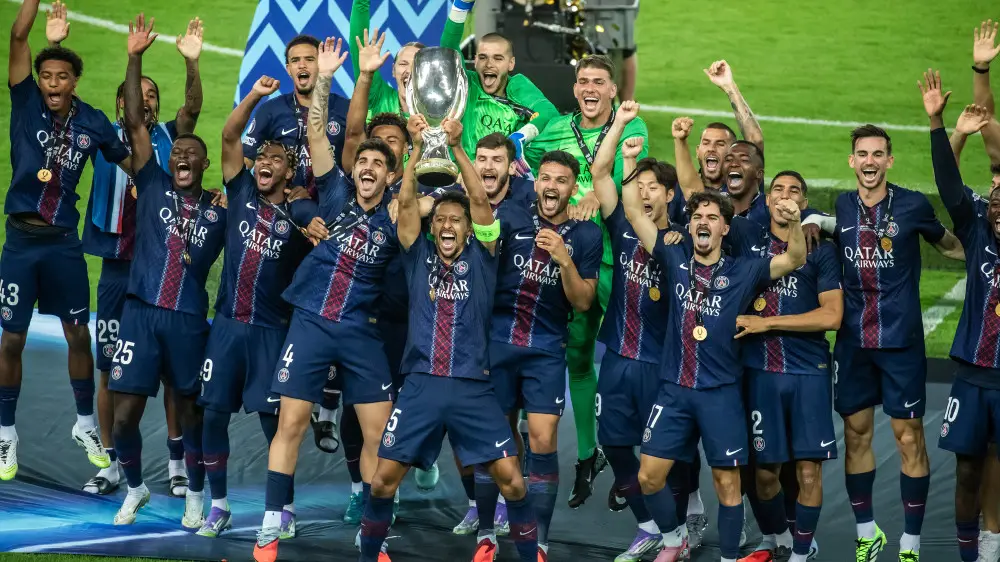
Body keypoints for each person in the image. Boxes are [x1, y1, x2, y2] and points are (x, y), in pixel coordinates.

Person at [358, 112, 538, 562]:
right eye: (440, 219)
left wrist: (457, 148)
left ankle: (530, 554)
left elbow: (479, 199)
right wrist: (417, 150)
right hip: (420, 385)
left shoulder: (486, 255)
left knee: (513, 481)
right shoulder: (416, 255)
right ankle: (368, 556)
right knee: (381, 482)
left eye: (456, 220)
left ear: (469, 228)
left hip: (472, 387)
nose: (447, 226)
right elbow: (405, 207)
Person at [252, 37, 398, 562]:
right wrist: (330, 78)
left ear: (389, 176)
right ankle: (271, 524)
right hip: (311, 322)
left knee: (379, 434)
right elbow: (318, 132)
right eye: (363, 161)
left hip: (361, 329)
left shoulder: (397, 215)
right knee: (291, 423)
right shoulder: (334, 189)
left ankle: (373, 536)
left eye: (379, 164)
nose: (368, 168)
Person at [625, 184, 807, 562]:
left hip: (720, 393)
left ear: (725, 228)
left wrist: (793, 224)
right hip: (674, 390)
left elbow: (794, 258)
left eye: (711, 217)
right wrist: (627, 158)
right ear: (690, 226)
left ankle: (728, 558)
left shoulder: (745, 270)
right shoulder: (674, 255)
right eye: (697, 217)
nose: (703, 222)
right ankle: (674, 539)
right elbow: (634, 213)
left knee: (727, 484)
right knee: (648, 476)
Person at [1, 0, 132, 481]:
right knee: (11, 339)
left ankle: (84, 425)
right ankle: (6, 435)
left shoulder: (92, 121)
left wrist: (157, 184)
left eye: (61, 77)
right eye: (46, 76)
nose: (52, 83)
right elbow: (18, 38)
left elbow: (127, 159)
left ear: (74, 82)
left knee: (79, 334)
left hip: (63, 244)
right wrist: (34, 11)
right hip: (20, 243)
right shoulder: (25, 102)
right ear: (37, 80)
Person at [77, 10, 204, 498]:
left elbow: (193, 106)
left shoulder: (172, 139)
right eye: (139, 94)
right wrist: (135, 60)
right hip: (116, 270)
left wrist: (191, 64)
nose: (146, 100)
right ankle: (112, 464)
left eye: (153, 95)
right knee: (109, 367)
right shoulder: (108, 138)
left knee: (172, 373)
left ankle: (175, 463)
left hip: (163, 272)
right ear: (125, 101)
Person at [107, 14, 227, 526]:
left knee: (191, 412)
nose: (181, 155)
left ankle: (195, 493)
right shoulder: (152, 181)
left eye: (190, 153)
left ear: (203, 165)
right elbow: (137, 122)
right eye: (176, 150)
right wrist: (134, 57)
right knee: (123, 416)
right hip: (140, 313)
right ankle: (135, 488)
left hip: (187, 319)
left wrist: (192, 65)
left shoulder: (221, 210)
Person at [828, 119, 963, 561]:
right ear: (852, 162)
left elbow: (949, 245)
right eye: (862, 154)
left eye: (877, 154)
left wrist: (985, 252)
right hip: (852, 342)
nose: (869, 162)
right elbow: (820, 228)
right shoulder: (842, 207)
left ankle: (910, 543)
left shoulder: (912, 205)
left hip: (901, 342)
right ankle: (867, 533)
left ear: (889, 160)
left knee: (909, 438)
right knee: (856, 435)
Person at [524, 54, 649, 508]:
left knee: (627, 358)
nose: (590, 88)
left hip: (619, 261)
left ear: (613, 90)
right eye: (583, 81)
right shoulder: (556, 128)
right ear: (575, 88)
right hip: (572, 264)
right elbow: (531, 166)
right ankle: (586, 456)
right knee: (577, 358)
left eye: (599, 81)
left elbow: (620, 177)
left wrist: (596, 193)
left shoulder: (632, 126)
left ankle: (627, 458)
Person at [193, 75, 312, 538]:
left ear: (289, 174)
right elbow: (228, 136)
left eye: (276, 159)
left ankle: (285, 508)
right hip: (226, 327)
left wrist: (310, 219)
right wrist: (256, 96)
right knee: (213, 415)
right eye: (261, 156)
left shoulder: (299, 216)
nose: (265, 162)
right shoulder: (240, 191)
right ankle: (218, 505)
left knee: (273, 424)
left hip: (270, 333)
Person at [473, 147, 602, 560]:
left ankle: (539, 541)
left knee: (543, 441)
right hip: (498, 343)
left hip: (546, 348)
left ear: (572, 188)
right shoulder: (511, 216)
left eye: (561, 181)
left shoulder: (586, 235)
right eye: (545, 178)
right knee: (495, 438)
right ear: (536, 182)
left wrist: (563, 259)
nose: (551, 186)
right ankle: (487, 534)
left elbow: (583, 301)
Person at [240, 32, 352, 458]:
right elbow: (247, 162)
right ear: (288, 68)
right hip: (282, 229)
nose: (303, 65)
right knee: (289, 312)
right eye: (296, 60)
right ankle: (288, 394)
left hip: (331, 228)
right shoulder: (271, 111)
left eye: (309, 59)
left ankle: (328, 407)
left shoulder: (341, 109)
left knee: (334, 313)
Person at [590, 101, 691, 562]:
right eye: (640, 186)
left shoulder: (682, 243)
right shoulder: (623, 228)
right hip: (617, 358)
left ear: (669, 194)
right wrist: (618, 126)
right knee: (613, 443)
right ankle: (651, 525)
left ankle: (678, 530)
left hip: (660, 365)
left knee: (665, 454)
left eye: (654, 187)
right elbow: (600, 173)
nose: (645, 193)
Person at [726, 171, 843, 562]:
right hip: (759, 373)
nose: (786, 195)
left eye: (795, 191)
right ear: (768, 200)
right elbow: (702, 211)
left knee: (809, 472)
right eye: (778, 189)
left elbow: (832, 316)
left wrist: (768, 323)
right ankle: (779, 537)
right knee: (764, 475)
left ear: (804, 203)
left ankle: (801, 552)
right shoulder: (746, 238)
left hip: (808, 372)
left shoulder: (821, 250)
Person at [923, 74, 1000, 562]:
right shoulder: (977, 233)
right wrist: (941, 125)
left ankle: (993, 541)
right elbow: (949, 185)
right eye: (995, 203)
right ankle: (970, 551)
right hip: (972, 373)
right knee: (968, 470)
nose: (998, 210)